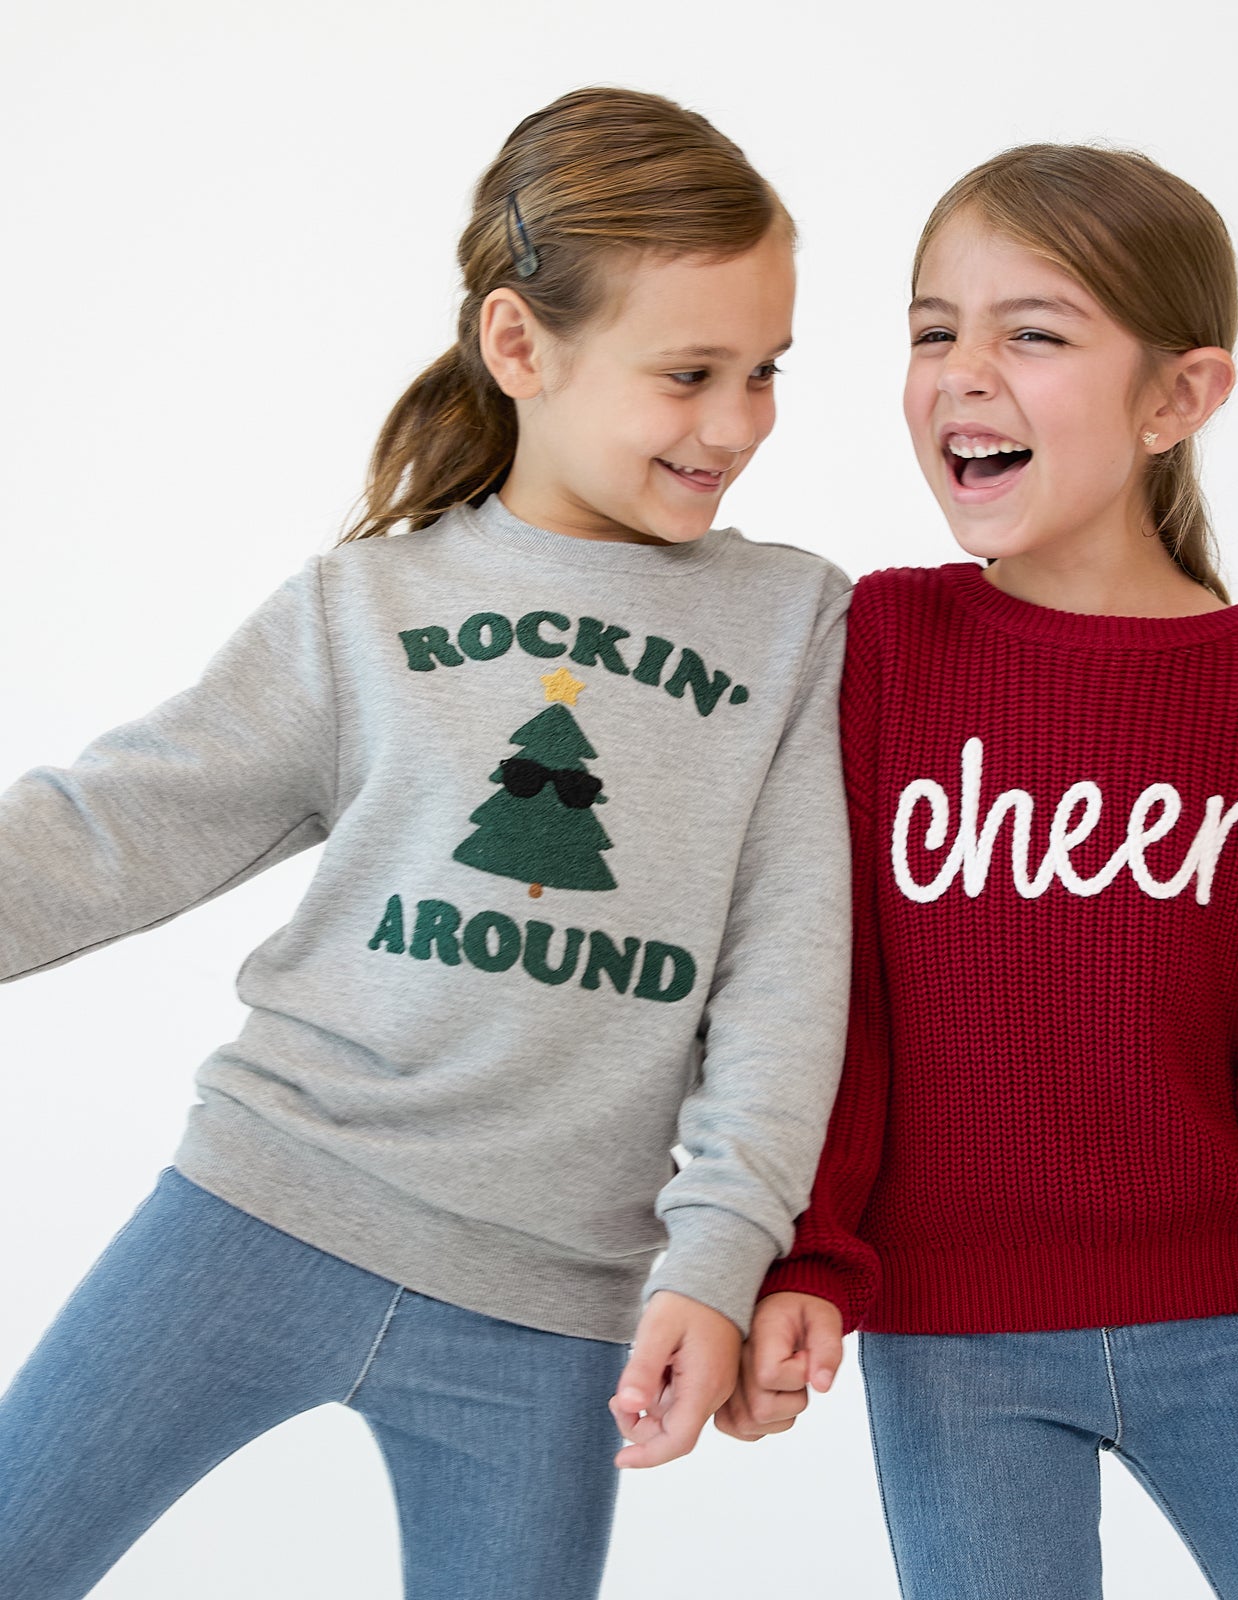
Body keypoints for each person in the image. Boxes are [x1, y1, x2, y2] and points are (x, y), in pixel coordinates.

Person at [0, 86, 850, 1600]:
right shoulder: (362, 611)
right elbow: (120, 823)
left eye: (766, 372)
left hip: (556, 1305)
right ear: (520, 346)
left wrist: (719, 1256)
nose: (737, 424)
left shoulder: (796, 626)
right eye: (689, 373)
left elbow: (789, 975)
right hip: (257, 1210)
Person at [719, 143, 1238, 1598]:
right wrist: (807, 1252)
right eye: (934, 329)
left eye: (1034, 333)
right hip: (955, 1347)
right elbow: (831, 990)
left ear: (1178, 397)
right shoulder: (878, 646)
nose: (963, 372)